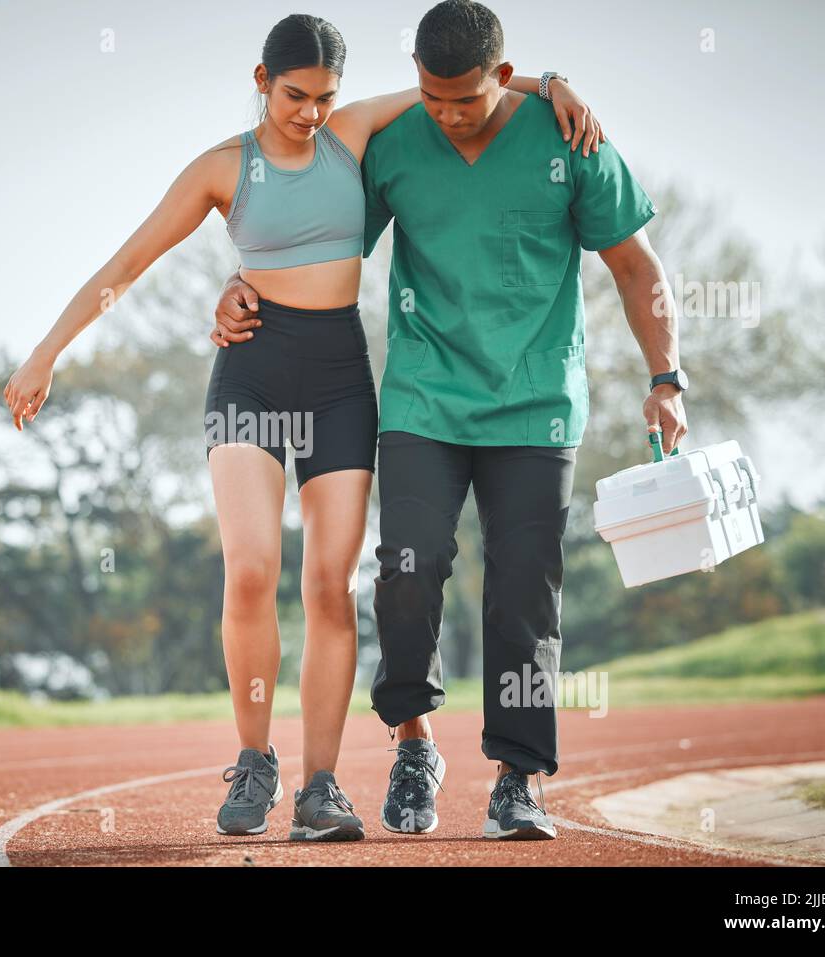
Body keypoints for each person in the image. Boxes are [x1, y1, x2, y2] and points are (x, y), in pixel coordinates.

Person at [4, 12, 601, 841]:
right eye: (295, 95)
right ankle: (255, 760)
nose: (310, 112)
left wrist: (552, 80)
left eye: (324, 97)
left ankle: (321, 787)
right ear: (261, 81)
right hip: (251, 370)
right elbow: (125, 266)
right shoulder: (222, 168)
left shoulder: (352, 134)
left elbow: (469, 83)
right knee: (251, 570)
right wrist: (46, 355)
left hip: (337, 378)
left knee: (332, 584)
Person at [213, 0, 687, 841]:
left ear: (502, 79)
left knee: (523, 597)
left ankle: (518, 778)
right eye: (430, 99)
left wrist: (666, 378)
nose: (445, 116)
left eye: (462, 102)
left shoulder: (568, 139)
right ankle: (413, 742)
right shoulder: (396, 146)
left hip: (536, 408)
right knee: (406, 571)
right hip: (422, 402)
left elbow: (634, 263)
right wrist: (243, 283)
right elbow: (310, 238)